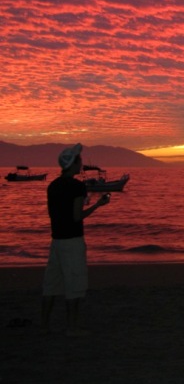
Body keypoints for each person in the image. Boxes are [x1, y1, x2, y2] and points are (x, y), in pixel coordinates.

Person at [40, 143, 111, 336]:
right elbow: (77, 216)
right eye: (79, 160)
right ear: (73, 164)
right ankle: (72, 327)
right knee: (74, 285)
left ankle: (44, 326)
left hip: (57, 240)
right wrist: (97, 205)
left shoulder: (52, 186)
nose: (81, 163)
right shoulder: (77, 186)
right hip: (72, 241)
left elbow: (53, 213)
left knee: (51, 285)